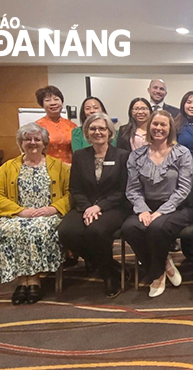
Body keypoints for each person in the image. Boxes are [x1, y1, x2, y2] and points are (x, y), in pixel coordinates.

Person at [0, 123, 70, 305]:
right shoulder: (8, 167)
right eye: (27, 139)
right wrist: (20, 211)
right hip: (17, 215)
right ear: (21, 143)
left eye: (37, 139)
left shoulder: (59, 166)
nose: (32, 143)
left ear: (44, 143)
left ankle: (33, 280)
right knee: (8, 229)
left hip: (47, 215)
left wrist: (54, 208)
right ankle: (22, 281)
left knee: (37, 229)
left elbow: (71, 193)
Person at [122, 110, 193, 298]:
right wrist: (143, 209)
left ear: (170, 129)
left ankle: (156, 275)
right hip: (146, 206)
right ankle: (163, 265)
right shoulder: (137, 155)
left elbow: (183, 189)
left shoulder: (182, 153)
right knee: (130, 228)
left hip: (176, 207)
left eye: (163, 125)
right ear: (149, 126)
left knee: (155, 228)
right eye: (155, 124)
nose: (159, 128)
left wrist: (161, 211)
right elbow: (133, 189)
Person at [58, 113, 130, 298]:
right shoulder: (80, 156)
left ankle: (108, 276)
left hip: (113, 207)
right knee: (66, 231)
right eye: (93, 129)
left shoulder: (122, 156)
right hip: (84, 206)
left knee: (95, 232)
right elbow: (75, 188)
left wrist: (99, 207)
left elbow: (122, 190)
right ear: (87, 133)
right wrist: (87, 206)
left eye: (102, 128)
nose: (98, 132)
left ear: (109, 132)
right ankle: (109, 265)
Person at [34, 85, 78, 164]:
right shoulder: (37, 127)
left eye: (56, 99)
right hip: (48, 168)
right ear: (42, 105)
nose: (53, 103)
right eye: (48, 100)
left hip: (70, 168)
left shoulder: (72, 125)